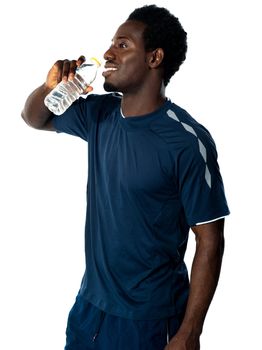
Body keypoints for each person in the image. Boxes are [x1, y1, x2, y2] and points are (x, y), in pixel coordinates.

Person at [21, 4, 230, 350]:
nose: (107, 53)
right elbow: (34, 118)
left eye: (122, 45)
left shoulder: (187, 142)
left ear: (154, 58)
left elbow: (210, 239)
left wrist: (190, 332)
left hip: (149, 320)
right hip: (89, 308)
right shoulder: (99, 115)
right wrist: (49, 88)